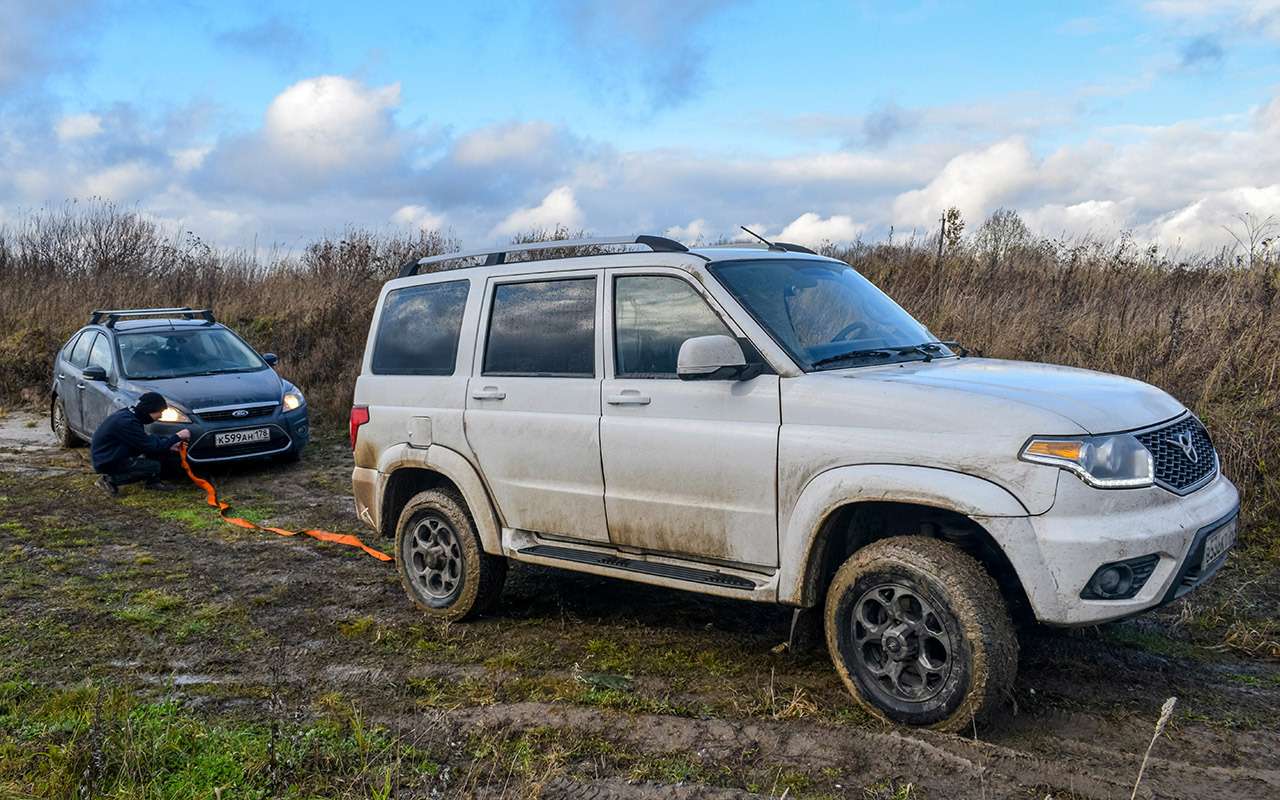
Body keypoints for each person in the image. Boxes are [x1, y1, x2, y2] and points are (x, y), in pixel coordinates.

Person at [91, 391, 191, 496]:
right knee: (153, 466)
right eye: (159, 412)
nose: (160, 416)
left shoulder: (130, 415)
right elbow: (151, 446)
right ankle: (109, 480)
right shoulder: (127, 422)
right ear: (149, 410)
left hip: (117, 452)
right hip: (108, 460)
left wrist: (168, 443)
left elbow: (145, 440)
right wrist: (177, 437)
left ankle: (153, 482)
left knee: (157, 454)